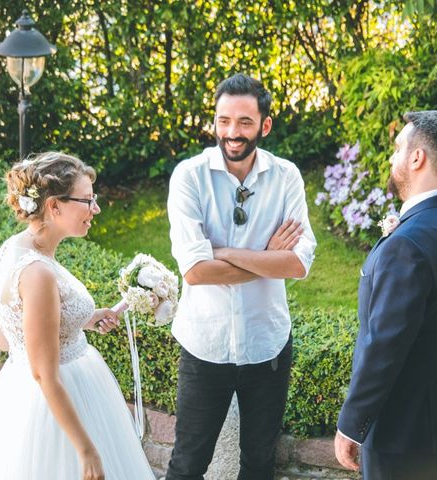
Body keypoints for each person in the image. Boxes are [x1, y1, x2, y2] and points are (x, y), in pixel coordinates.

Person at [0, 152, 155, 480]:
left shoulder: (13, 249)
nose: (96, 209)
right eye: (88, 200)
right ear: (54, 206)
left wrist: (80, 320)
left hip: (17, 392)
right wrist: (86, 451)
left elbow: (4, 338)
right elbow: (45, 374)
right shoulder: (38, 274)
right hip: (58, 400)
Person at [334, 111, 437, 480]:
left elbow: (384, 344)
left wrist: (351, 424)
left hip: (407, 436)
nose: (392, 158)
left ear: (417, 158)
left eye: (398, 149)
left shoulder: (408, 244)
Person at [165, 73, 317, 480]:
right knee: (187, 464)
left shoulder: (286, 177)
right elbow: (195, 272)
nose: (232, 132)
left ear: (264, 126)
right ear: (214, 121)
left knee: (259, 463)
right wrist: (267, 258)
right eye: (224, 120)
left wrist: (229, 254)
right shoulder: (189, 177)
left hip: (267, 345)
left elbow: (299, 264)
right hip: (204, 346)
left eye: (245, 122)